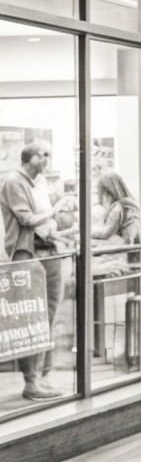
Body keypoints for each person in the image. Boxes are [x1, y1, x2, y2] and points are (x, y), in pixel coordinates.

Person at [1, 144, 63, 400]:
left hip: (47, 253)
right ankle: (31, 381)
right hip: (29, 255)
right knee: (32, 317)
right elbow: (27, 219)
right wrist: (56, 209)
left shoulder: (37, 182)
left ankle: (41, 377)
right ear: (32, 157)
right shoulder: (14, 181)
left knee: (47, 314)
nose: (47, 159)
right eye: (44, 154)